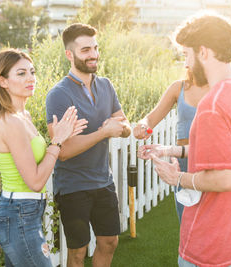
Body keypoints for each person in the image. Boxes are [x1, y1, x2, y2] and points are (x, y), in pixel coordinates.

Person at [139, 13, 231, 267]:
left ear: (203, 52)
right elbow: (228, 153)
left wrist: (177, 178)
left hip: (210, 243)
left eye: (187, 55)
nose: (186, 64)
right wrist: (173, 150)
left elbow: (226, 178)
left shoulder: (212, 105)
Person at [0, 49, 87, 267]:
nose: (31, 78)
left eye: (32, 72)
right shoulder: (10, 122)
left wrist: (63, 136)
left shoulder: (24, 117)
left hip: (26, 213)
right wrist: (57, 141)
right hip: (19, 215)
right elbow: (35, 181)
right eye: (21, 73)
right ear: (3, 81)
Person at [45, 23, 131, 267]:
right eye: (85, 50)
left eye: (95, 47)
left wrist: (120, 128)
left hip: (104, 180)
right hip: (73, 187)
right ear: (69, 55)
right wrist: (103, 132)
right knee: (78, 252)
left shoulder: (106, 85)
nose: (93, 54)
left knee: (109, 242)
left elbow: (124, 125)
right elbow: (63, 150)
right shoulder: (59, 95)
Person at [133, 69, 209, 223]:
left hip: (209, 163)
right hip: (183, 164)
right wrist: (142, 125)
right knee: (187, 223)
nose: (187, 62)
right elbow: (150, 118)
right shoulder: (179, 87)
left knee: (212, 225)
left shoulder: (220, 88)